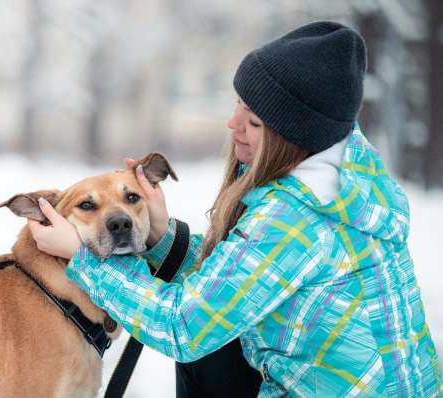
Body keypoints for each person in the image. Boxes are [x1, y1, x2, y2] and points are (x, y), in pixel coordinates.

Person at [28, 21, 442, 397]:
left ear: (292, 136)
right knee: (214, 346)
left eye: (255, 121)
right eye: (238, 103)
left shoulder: (296, 217)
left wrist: (84, 258)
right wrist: (159, 238)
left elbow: (184, 325)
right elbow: (239, 282)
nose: (232, 124)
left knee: (201, 347)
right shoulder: (348, 174)